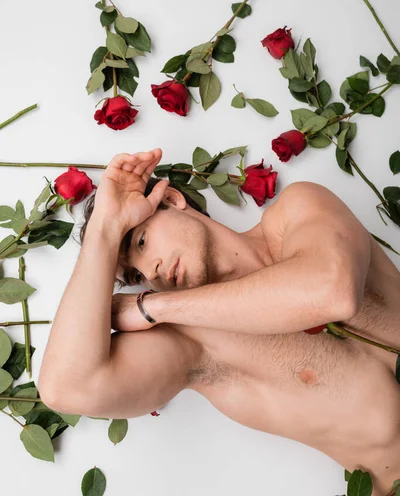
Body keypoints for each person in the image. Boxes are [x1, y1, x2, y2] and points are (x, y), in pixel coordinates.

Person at [38, 149, 400, 496]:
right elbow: (66, 389)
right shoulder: (196, 348)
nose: (150, 271)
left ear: (172, 201)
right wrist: (104, 229)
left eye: (142, 241)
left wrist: (156, 306)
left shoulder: (296, 211)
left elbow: (331, 291)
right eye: (136, 275)